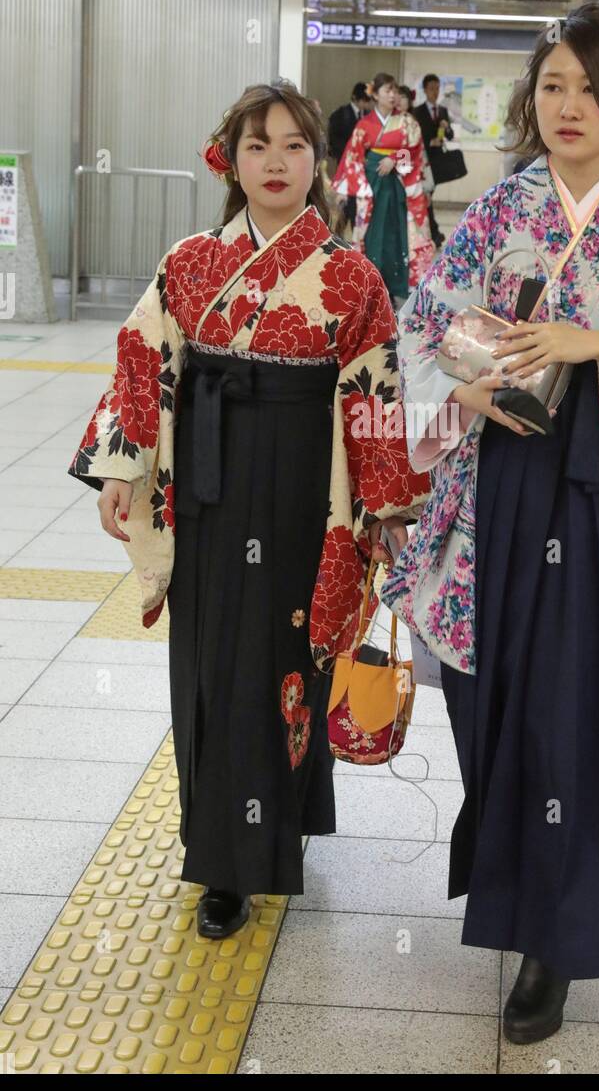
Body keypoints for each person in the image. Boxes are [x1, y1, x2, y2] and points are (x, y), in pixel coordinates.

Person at [382, 2, 599, 1044]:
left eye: (588, 86)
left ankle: (556, 942)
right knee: (489, 707)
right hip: (497, 486)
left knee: (577, 723)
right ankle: (510, 895)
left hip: (598, 501)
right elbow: (427, 313)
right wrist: (471, 379)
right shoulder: (500, 210)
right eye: (550, 86)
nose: (567, 104)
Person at [67, 81, 431, 940]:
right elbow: (140, 358)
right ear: (230, 158)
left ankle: (282, 822)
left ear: (319, 161)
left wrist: (386, 507)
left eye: (294, 145)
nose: (275, 161)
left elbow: (375, 397)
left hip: (309, 487)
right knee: (214, 663)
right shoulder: (191, 260)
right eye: (257, 144)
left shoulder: (351, 276)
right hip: (208, 480)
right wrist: (124, 466)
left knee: (292, 649)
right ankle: (223, 863)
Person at [332, 71, 434, 307]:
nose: (393, 95)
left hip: (397, 186)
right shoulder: (364, 125)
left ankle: (397, 285)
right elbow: (352, 158)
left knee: (397, 235)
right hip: (371, 187)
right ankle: (371, 285)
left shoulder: (407, 122)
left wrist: (396, 159)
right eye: (387, 90)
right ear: (375, 95)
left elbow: (415, 153)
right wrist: (356, 188)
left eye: (395, 90)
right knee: (373, 235)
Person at [413, 73, 455, 247]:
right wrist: (430, 142)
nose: (435, 92)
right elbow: (415, 137)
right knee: (426, 196)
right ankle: (434, 233)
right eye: (431, 89)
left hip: (438, 162)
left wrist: (446, 129)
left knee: (428, 196)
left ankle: (433, 232)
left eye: (437, 89)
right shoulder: (417, 112)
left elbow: (450, 135)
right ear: (425, 90)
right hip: (423, 161)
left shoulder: (443, 111)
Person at [327, 81, 370, 231]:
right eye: (364, 100)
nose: (366, 103)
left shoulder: (368, 116)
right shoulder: (341, 114)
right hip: (346, 164)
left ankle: (344, 232)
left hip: (362, 166)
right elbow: (334, 139)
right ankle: (343, 231)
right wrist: (349, 154)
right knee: (347, 200)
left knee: (353, 201)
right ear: (355, 98)